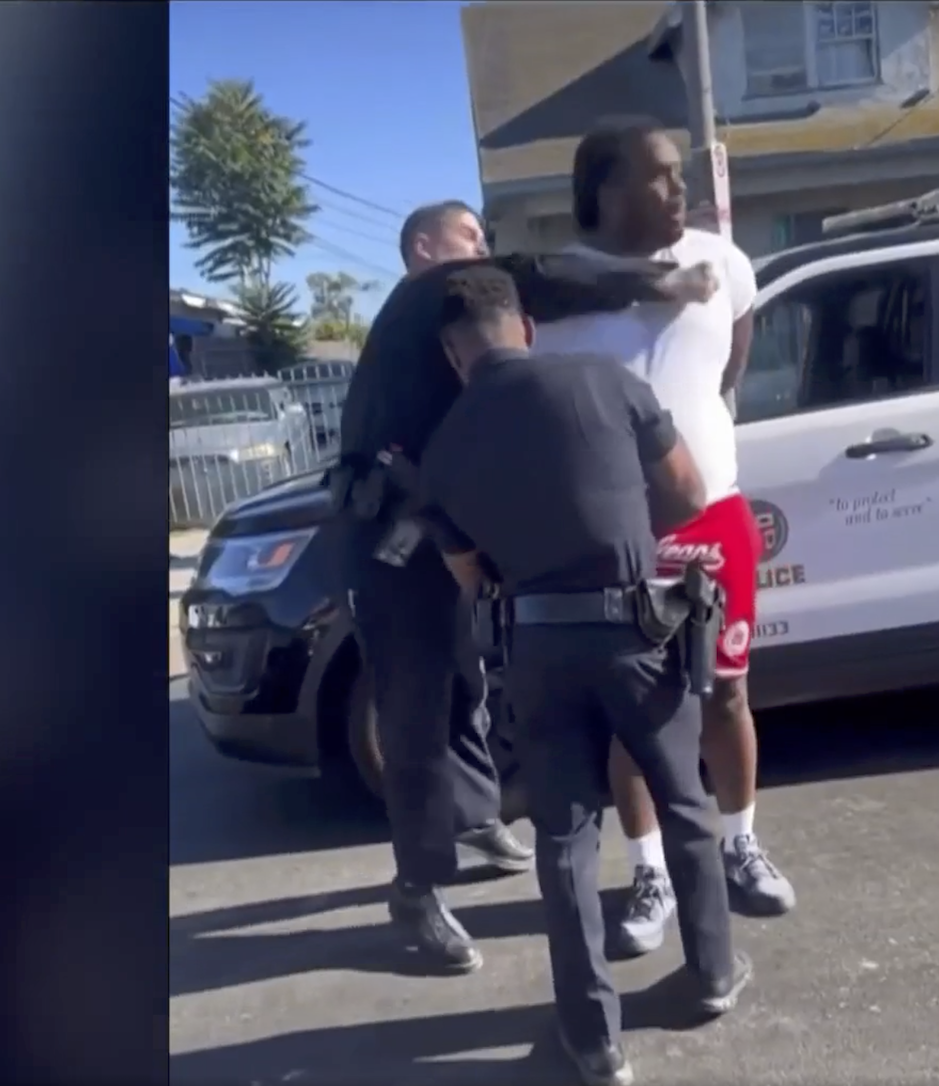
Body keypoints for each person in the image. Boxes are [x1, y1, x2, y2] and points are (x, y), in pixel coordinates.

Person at [336, 199, 720, 974]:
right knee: (412, 712)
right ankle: (416, 890)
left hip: (445, 521)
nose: (484, 247)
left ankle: (474, 816)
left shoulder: (435, 341)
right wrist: (661, 282)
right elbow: (531, 277)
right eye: (471, 236)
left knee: (465, 677)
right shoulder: (426, 293)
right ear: (424, 249)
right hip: (395, 542)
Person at [419, 265, 752, 1086]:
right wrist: (620, 534)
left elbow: (472, 580)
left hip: (534, 650)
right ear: (524, 327)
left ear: (452, 355)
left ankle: (594, 1041)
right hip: (638, 630)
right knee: (681, 798)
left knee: (563, 837)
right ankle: (711, 974)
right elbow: (687, 492)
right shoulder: (606, 381)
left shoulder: (443, 448)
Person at [530, 118, 797, 958]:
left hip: (714, 516)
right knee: (636, 720)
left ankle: (740, 844)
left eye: (682, 173)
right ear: (605, 191)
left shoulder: (725, 263)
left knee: (724, 693)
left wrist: (700, 444)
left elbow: (728, 371)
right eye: (658, 176)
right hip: (619, 538)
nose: (679, 189)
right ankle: (649, 874)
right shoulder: (555, 288)